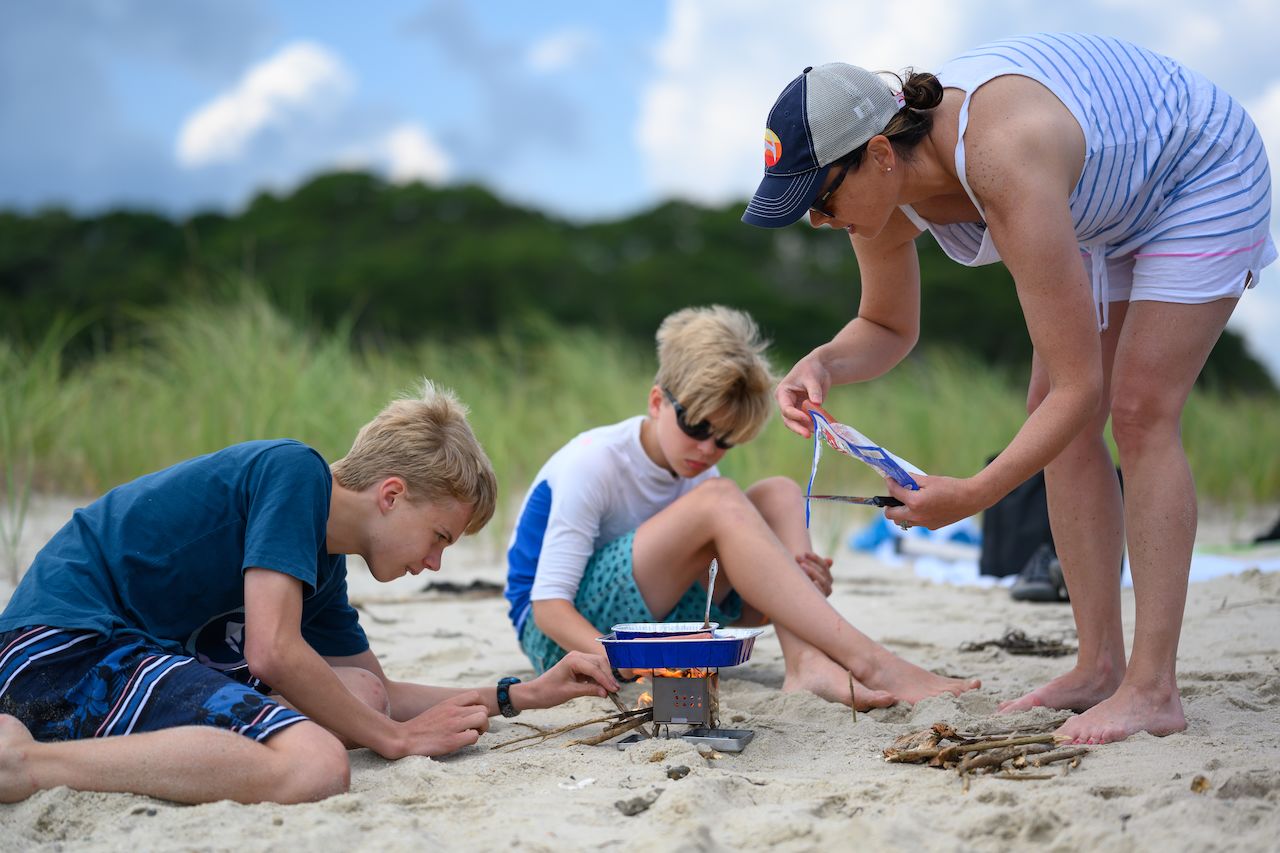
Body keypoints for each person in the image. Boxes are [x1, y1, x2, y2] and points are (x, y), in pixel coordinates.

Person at [744, 34, 1275, 744]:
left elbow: (1082, 389)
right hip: (1104, 202)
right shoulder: (878, 193)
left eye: (819, 196)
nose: (814, 218)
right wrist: (824, 364)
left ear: (876, 154)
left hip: (1198, 167)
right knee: (1047, 413)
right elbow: (885, 324)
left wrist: (973, 494)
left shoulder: (1001, 158)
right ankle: (1098, 665)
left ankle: (1153, 688)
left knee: (1140, 408)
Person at [0, 381, 617, 805]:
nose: (433, 562)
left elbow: (386, 695)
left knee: (362, 692)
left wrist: (524, 693)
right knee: (315, 764)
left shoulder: (321, 565)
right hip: (62, 651)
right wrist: (394, 741)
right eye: (437, 537)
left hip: (126, 655)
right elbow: (271, 650)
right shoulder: (293, 474)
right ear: (392, 494)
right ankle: (24, 765)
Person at [503, 305, 979, 710]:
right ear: (656, 402)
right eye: (697, 427)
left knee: (778, 493)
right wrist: (632, 667)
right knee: (721, 500)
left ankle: (807, 662)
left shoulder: (699, 476)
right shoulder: (596, 461)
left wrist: (797, 586)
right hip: (565, 643)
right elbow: (547, 608)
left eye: (725, 439)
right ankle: (872, 662)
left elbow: (737, 609)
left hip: (654, 620)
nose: (708, 449)